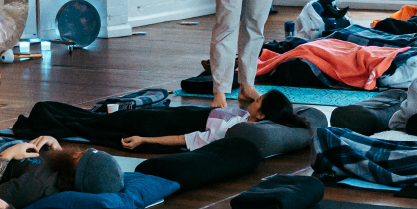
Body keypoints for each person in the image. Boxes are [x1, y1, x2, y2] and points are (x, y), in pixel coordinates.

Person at [116, 89, 307, 150]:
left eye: (257, 100)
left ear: (262, 115)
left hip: (184, 121)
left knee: (130, 118)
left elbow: (183, 138)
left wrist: (143, 139)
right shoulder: (247, 117)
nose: (253, 100)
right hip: (192, 112)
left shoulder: (231, 131)